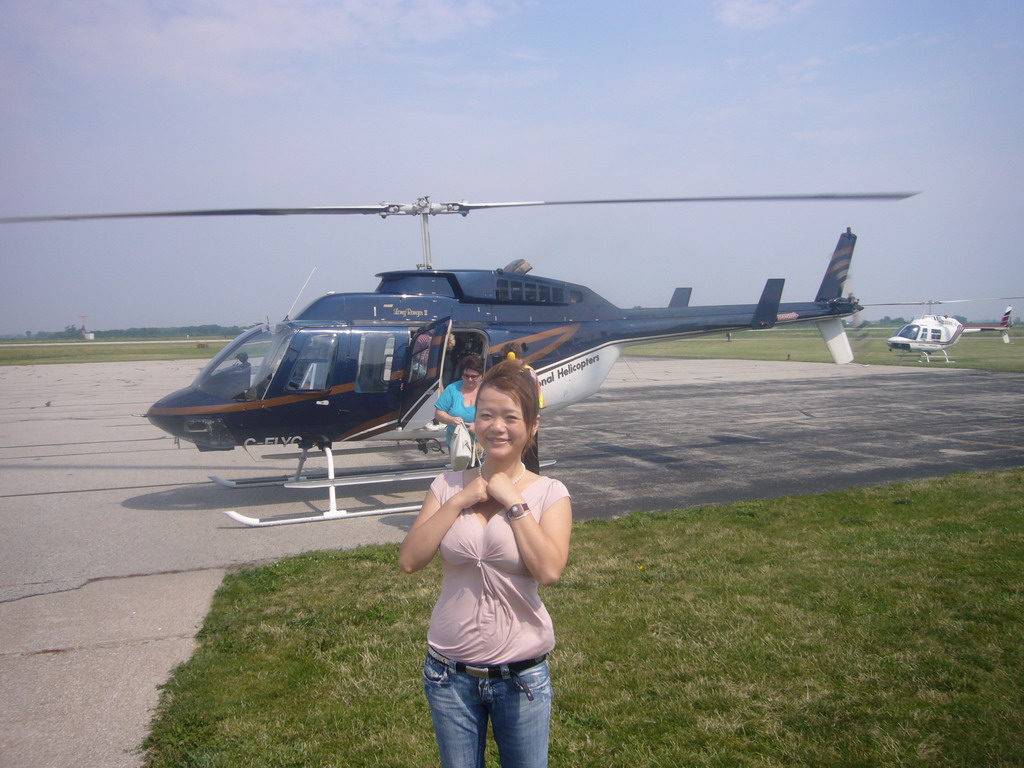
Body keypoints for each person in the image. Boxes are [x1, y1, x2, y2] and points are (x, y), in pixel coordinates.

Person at [399, 359, 573, 768]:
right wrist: (462, 499)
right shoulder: (446, 486)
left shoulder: (551, 493)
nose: (497, 427)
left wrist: (513, 502)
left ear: (532, 426)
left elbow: (549, 571)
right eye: (486, 415)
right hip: (449, 674)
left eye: (511, 417)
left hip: (522, 677)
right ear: (473, 422)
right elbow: (410, 560)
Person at [507, 344, 543, 474]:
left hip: (529, 415)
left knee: (529, 452)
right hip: (523, 414)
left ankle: (533, 477)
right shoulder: (521, 371)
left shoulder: (525, 372)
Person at [434, 355, 484, 446]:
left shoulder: (487, 391)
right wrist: (451, 420)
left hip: (482, 444)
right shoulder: (452, 389)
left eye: (474, 377)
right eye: (466, 375)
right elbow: (438, 413)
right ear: (462, 375)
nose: (469, 379)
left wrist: (478, 426)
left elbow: (497, 416)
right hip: (457, 445)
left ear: (481, 376)